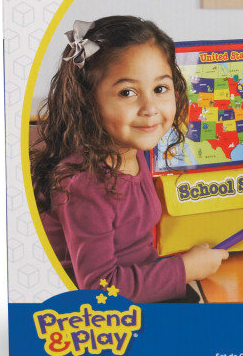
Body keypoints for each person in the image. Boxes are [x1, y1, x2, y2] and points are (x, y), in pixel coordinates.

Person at [31, 16, 228, 302]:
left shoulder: (132, 151)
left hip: (143, 290)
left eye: (160, 89)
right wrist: (185, 268)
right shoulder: (85, 184)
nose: (150, 108)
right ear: (87, 101)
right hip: (95, 315)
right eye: (127, 93)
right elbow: (99, 290)